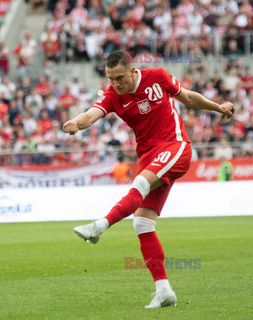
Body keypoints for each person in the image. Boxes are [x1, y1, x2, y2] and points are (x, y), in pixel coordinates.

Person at [62, 50, 235, 308]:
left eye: (119, 77)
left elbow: (187, 97)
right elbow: (91, 114)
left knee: (140, 184)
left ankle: (101, 225)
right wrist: (75, 122)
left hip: (175, 146)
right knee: (142, 224)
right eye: (110, 78)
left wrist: (218, 107)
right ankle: (164, 290)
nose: (115, 83)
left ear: (133, 71)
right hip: (148, 156)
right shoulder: (112, 95)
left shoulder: (158, 77)